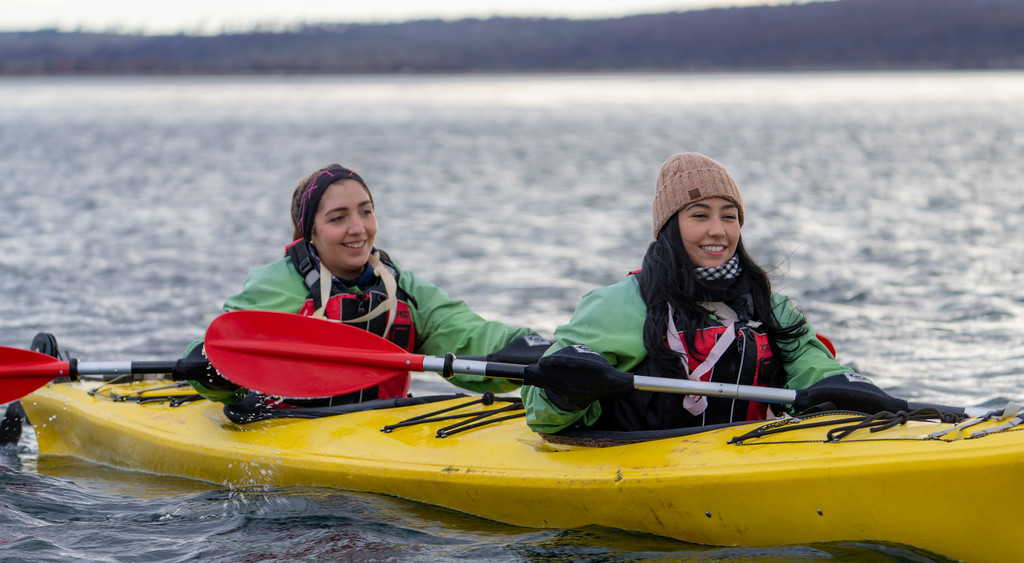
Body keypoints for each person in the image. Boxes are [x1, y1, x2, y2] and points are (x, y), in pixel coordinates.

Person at [522, 152, 907, 434]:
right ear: (671, 227)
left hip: (738, 457)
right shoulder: (618, 305)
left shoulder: (770, 308)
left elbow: (815, 368)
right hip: (636, 461)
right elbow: (539, 412)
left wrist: (857, 392)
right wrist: (566, 392)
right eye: (699, 215)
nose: (718, 231)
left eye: (730, 216)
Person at [187, 163, 549, 406]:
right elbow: (223, 345)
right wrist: (209, 367)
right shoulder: (276, 285)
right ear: (310, 231)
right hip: (289, 430)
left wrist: (545, 350)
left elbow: (469, 335)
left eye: (366, 211)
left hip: (378, 433)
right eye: (338, 218)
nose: (358, 228)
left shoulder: (402, 287)